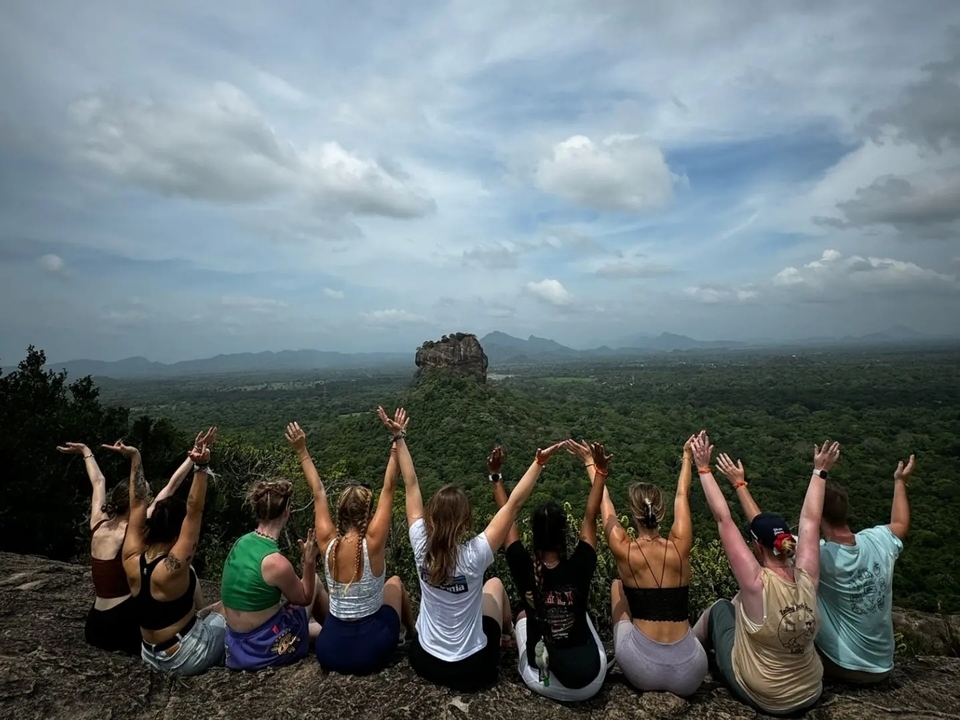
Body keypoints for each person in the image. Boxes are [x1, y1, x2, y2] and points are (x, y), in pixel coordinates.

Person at [385, 404, 564, 692]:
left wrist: (399, 437)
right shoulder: (475, 554)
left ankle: (505, 634)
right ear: (466, 520)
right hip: (471, 667)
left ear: (431, 516)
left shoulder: (420, 542)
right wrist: (538, 463)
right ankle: (509, 635)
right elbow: (514, 504)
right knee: (493, 584)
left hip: (425, 659)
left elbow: (411, 484)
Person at [691, 434, 841, 715]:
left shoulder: (757, 584)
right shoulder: (808, 575)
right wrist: (819, 471)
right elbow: (810, 520)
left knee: (721, 609)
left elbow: (724, 519)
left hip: (768, 696)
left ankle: (685, 652)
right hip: (811, 689)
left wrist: (703, 467)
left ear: (756, 546)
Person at [58, 428, 216, 655]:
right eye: (150, 495)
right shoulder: (137, 530)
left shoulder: (99, 523)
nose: (150, 498)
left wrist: (85, 451)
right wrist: (196, 461)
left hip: (95, 622)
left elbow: (98, 481)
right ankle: (200, 621)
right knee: (185, 570)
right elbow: (171, 487)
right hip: (123, 621)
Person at [573, 434, 707, 697]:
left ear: (634, 515)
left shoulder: (625, 550)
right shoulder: (680, 547)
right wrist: (687, 457)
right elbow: (682, 494)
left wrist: (592, 463)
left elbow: (604, 506)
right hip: (691, 671)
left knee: (616, 586)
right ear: (662, 513)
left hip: (641, 668)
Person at [298, 413, 415, 674]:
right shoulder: (371, 543)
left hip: (330, 649)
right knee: (394, 583)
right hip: (370, 649)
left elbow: (318, 492)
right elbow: (389, 486)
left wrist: (302, 450)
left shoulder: (328, 542)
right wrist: (397, 438)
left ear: (340, 514)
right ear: (368, 515)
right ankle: (413, 635)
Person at [492, 442, 609, 702]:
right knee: (583, 613)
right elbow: (591, 516)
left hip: (544, 680)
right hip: (591, 680)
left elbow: (506, 518)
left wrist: (496, 477)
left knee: (523, 614)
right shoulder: (580, 564)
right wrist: (599, 471)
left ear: (533, 536)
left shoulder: (523, 565)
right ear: (564, 534)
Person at [112, 433, 226, 675]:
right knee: (234, 612)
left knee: (215, 610)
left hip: (148, 653)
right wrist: (202, 466)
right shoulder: (173, 567)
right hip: (184, 654)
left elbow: (137, 503)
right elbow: (194, 511)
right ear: (177, 531)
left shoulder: (131, 556)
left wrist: (135, 458)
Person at [220, 451, 325, 671]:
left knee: (301, 621)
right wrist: (309, 560)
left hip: (236, 645)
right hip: (263, 648)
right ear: (286, 512)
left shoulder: (240, 543)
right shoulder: (275, 562)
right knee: (314, 581)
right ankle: (336, 631)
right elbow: (305, 597)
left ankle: (323, 631)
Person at [814, 455, 914, 683]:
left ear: (817, 515)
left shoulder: (821, 557)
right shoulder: (878, 540)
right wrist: (900, 481)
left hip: (842, 666)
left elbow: (769, 535)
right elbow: (901, 523)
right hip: (883, 665)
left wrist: (739, 485)